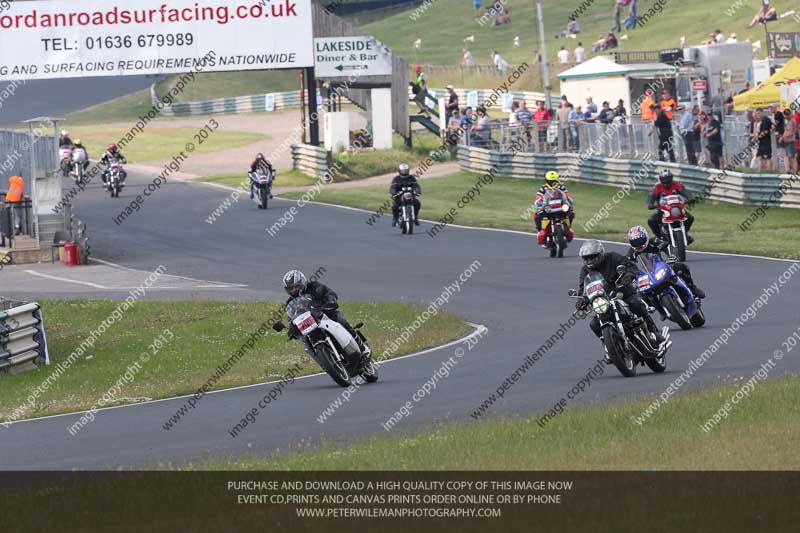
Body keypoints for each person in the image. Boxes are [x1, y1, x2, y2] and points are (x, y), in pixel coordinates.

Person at [576, 240, 666, 351]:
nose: (589, 260)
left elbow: (630, 265)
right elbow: (583, 288)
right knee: (594, 324)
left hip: (623, 293)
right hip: (604, 301)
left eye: (592, 257)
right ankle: (609, 346)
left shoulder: (612, 257)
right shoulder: (585, 271)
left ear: (600, 254)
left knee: (636, 304)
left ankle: (654, 332)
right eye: (586, 258)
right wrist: (581, 300)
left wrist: (628, 275)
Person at [282, 270, 370, 361]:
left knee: (341, 321)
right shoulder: (290, 303)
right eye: (290, 288)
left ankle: (363, 348)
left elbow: (329, 293)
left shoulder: (313, 286)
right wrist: (292, 328)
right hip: (310, 325)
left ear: (302, 282)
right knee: (306, 342)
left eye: (296, 286)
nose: (294, 290)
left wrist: (330, 302)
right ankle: (325, 362)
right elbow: (291, 319)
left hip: (325, 314)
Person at [626, 225, 705, 298]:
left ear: (646, 237)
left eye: (640, 240)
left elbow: (668, 246)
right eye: (635, 242)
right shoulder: (631, 253)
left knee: (680, 266)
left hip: (661, 268)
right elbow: (626, 265)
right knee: (637, 294)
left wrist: (672, 256)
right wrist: (629, 277)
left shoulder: (653, 241)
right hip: (646, 277)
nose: (638, 244)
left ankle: (692, 287)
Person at [647, 169, 695, 243]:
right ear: (661, 180)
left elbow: (686, 192)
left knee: (690, 218)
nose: (666, 181)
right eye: (664, 179)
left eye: (668, 179)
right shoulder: (657, 188)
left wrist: (690, 198)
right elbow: (651, 197)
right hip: (663, 211)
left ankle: (684, 234)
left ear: (671, 178)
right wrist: (650, 204)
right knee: (651, 221)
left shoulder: (677, 185)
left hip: (677, 210)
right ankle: (659, 237)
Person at [782, 108, 798, 174]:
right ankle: (793, 171)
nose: (786, 116)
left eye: (787, 115)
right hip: (787, 142)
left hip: (790, 141)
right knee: (789, 157)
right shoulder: (788, 122)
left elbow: (793, 132)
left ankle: (795, 171)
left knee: (792, 157)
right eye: (785, 115)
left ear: (790, 114)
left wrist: (784, 136)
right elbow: (787, 131)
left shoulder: (792, 121)